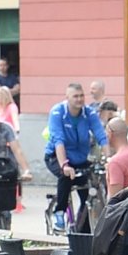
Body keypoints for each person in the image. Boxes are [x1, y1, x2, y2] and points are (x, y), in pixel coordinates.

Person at [47, 81, 109, 232]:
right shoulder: (58, 113)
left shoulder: (89, 113)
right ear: (67, 97)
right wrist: (64, 165)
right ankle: (59, 212)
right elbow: (58, 140)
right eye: (75, 96)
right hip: (56, 156)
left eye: (82, 96)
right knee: (66, 176)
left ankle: (84, 227)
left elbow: (101, 136)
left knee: (90, 189)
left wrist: (109, 159)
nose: (79, 99)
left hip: (80, 159)